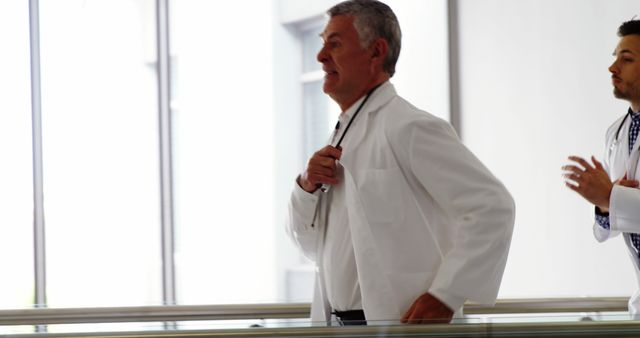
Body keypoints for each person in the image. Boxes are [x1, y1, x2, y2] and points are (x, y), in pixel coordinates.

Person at [286, 0, 515, 325]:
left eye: (334, 44)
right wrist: (306, 187)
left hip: (398, 326)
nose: (320, 56)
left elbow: (494, 208)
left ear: (376, 52)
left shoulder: (409, 126)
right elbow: (312, 247)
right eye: (323, 44)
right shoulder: (339, 138)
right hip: (341, 326)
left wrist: (446, 296)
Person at [563, 19, 640, 315]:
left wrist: (611, 197)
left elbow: (620, 203)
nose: (613, 68)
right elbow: (603, 231)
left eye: (626, 59)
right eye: (614, 58)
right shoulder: (615, 134)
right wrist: (605, 205)